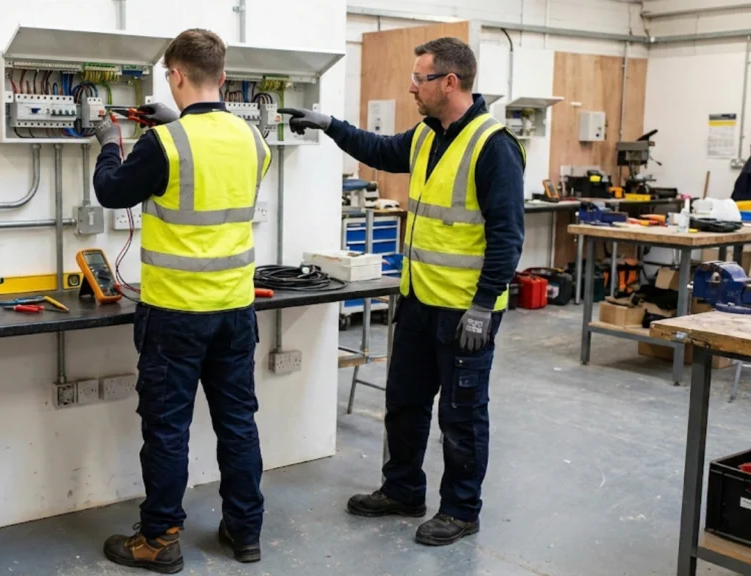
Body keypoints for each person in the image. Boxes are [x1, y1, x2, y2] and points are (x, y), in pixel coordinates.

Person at [281, 37, 525, 547]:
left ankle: (460, 510)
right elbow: (381, 150)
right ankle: (403, 489)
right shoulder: (428, 135)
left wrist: (484, 306)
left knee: (460, 416)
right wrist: (331, 126)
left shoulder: (492, 145)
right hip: (418, 301)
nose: (412, 86)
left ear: (450, 82)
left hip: (464, 311)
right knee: (404, 403)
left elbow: (507, 235)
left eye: (421, 78)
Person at [91, 28, 271, 574]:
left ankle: (159, 539)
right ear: (222, 78)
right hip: (236, 309)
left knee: (167, 429)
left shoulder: (163, 144)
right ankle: (244, 532)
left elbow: (111, 191)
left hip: (175, 315)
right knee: (238, 422)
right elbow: (211, 173)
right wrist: (174, 123)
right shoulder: (253, 140)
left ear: (174, 77)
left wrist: (105, 140)